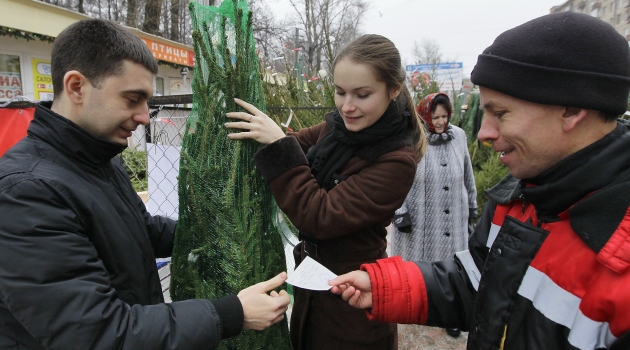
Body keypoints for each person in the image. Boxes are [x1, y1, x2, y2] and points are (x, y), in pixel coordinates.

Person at [329, 12, 630, 350]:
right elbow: (478, 284)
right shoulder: (518, 204)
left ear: (572, 110)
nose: (484, 133)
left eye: (500, 113)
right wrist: (384, 286)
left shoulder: (618, 261)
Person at [0, 19, 290, 349]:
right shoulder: (25, 192)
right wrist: (231, 314)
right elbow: (97, 333)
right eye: (132, 98)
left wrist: (220, 233)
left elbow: (140, 230)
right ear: (77, 87)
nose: (144, 116)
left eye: (147, 100)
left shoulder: (98, 159)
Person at [225, 34, 426, 349]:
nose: (347, 106)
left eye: (362, 95)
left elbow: (319, 215)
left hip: (353, 302)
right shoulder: (337, 129)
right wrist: (271, 138)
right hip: (312, 289)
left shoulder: (396, 161)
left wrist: (279, 144)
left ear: (394, 89)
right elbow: (298, 145)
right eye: (339, 92)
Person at [391, 92, 477, 338]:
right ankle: (413, 306)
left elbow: (467, 171)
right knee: (420, 270)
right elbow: (397, 177)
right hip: (421, 221)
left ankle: (451, 315)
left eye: (444, 116)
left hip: (454, 215)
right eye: (435, 117)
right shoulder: (412, 137)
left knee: (453, 269)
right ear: (425, 115)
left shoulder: (458, 135)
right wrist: (400, 212)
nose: (440, 122)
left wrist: (471, 204)